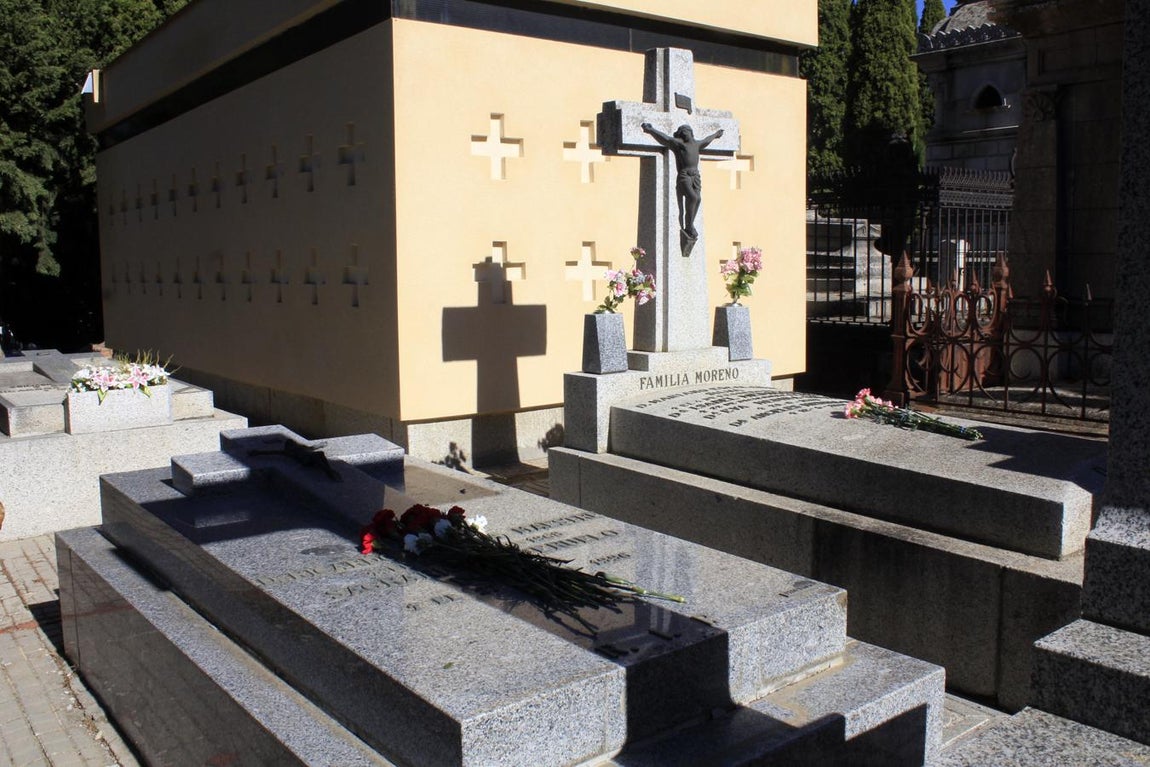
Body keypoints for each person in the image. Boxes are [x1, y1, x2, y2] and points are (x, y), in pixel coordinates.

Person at [641, 122, 724, 238]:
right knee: (693, 197)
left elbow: (707, 140)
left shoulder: (696, 144)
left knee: (698, 199)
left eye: (686, 131)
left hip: (696, 176)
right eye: (682, 132)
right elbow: (666, 139)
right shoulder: (679, 144)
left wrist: (716, 134)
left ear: (690, 132)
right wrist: (651, 130)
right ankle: (689, 226)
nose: (685, 133)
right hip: (684, 175)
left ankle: (690, 225)